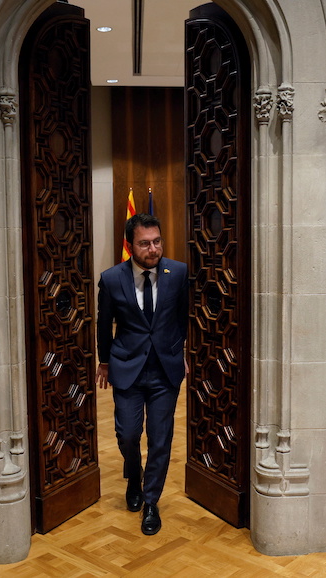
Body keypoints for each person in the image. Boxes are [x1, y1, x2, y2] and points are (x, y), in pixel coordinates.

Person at [96, 213, 189, 536]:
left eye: (157, 241)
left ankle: (151, 501)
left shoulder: (178, 273)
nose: (153, 249)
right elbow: (103, 324)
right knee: (128, 433)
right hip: (127, 367)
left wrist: (180, 352)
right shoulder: (111, 279)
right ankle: (133, 475)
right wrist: (104, 362)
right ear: (130, 245)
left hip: (165, 369)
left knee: (160, 438)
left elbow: (182, 317)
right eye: (145, 243)